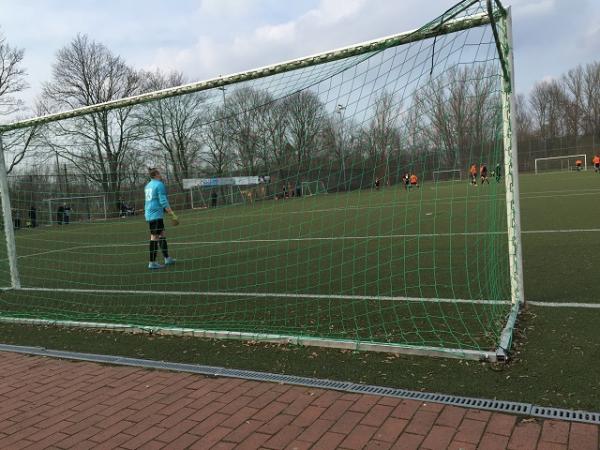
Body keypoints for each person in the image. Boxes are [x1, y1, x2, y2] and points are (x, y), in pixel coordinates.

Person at [144, 167, 178, 270]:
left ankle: (167, 258)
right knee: (154, 237)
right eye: (159, 174)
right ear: (155, 175)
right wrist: (172, 213)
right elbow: (163, 201)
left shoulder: (148, 185)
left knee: (162, 234)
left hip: (151, 213)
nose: (160, 175)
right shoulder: (159, 184)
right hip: (155, 215)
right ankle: (152, 262)